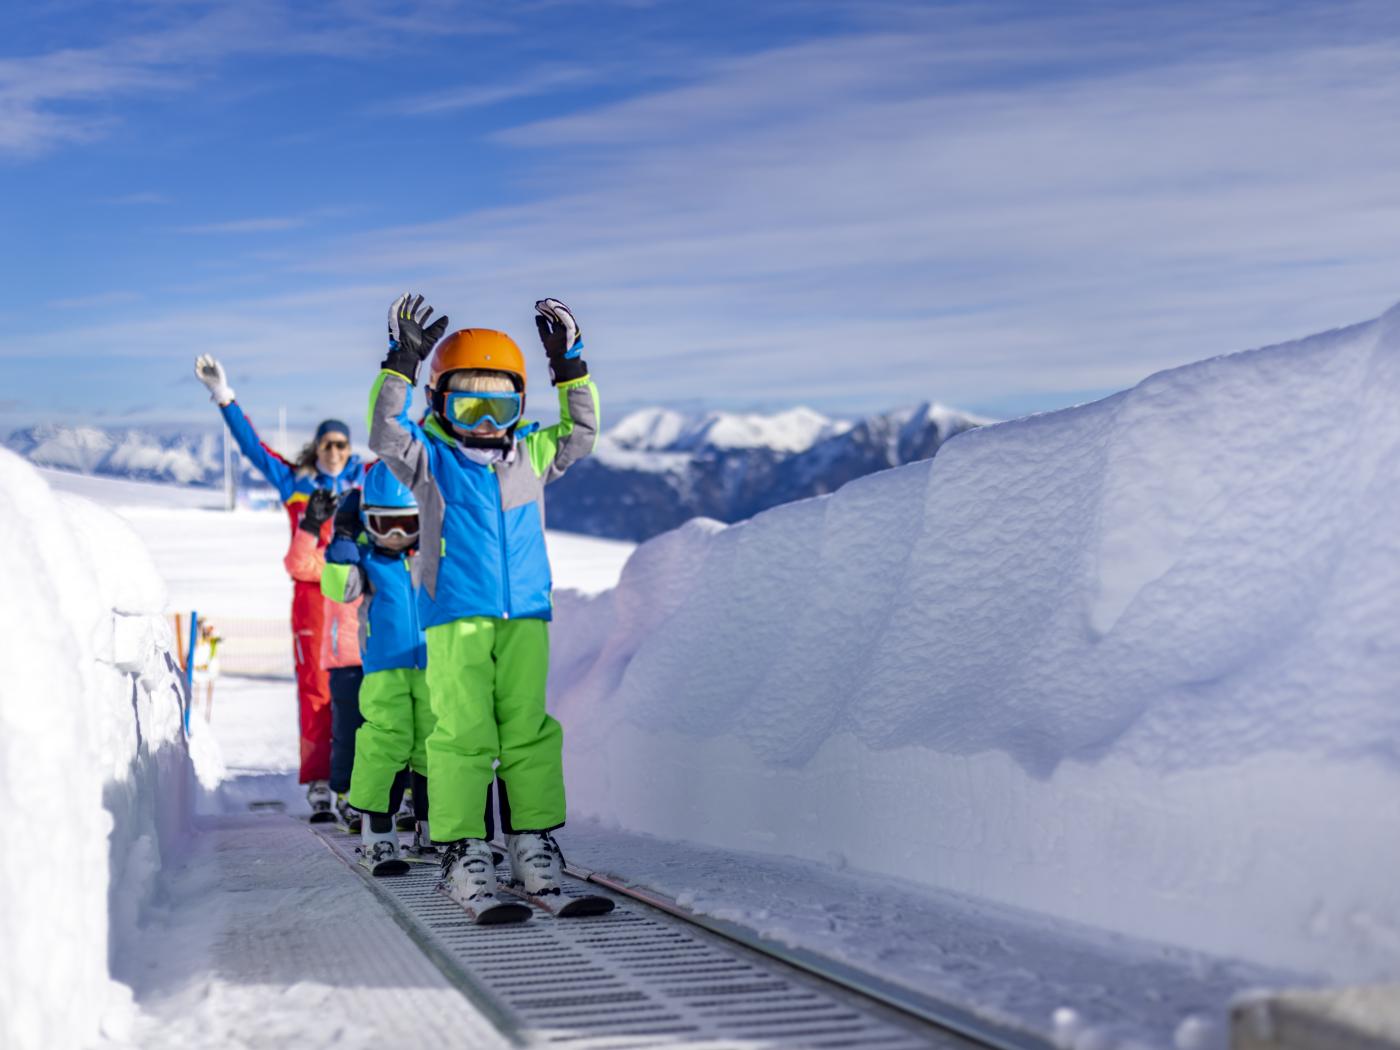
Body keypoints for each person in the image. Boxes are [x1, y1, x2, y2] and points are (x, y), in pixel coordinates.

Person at [368, 292, 598, 909]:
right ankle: (464, 850)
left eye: (500, 403)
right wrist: (400, 366)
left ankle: (531, 842)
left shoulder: (532, 453)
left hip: (524, 614)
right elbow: (385, 430)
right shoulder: (430, 458)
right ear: (441, 402)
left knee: (527, 732)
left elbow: (581, 434)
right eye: (469, 403)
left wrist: (570, 367)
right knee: (463, 734)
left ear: (520, 404)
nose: (486, 419)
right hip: (456, 616)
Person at [193, 355, 368, 818]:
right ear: (318, 447)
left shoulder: (365, 482)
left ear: (351, 449)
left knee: (364, 690)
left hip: (356, 597)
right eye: (328, 443)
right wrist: (225, 398)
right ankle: (317, 783)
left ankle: (357, 782)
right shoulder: (296, 481)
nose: (335, 450)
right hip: (311, 597)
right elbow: (252, 449)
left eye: (342, 443)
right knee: (315, 689)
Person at [284, 488, 364, 826]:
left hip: (374, 651)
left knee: (378, 724)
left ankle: (383, 794)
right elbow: (300, 563)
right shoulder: (333, 558)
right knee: (332, 718)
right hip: (338, 650)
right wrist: (313, 524)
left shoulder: (374, 552)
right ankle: (330, 786)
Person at [192, 621, 222, 722]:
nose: (207, 632)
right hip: (199, 669)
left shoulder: (213, 641)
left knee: (206, 688)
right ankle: (197, 711)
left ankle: (206, 713)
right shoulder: (200, 641)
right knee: (197, 689)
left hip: (208, 668)